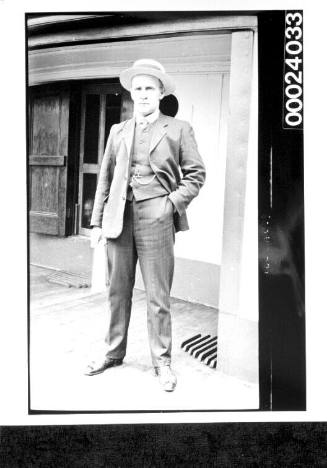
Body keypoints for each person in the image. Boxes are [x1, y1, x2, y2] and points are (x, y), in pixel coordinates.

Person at [84, 59, 206, 392]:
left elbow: (196, 175)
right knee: (117, 292)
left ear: (160, 92)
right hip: (118, 222)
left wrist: (170, 205)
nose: (142, 94)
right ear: (132, 93)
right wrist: (96, 222)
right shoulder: (117, 130)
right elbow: (105, 179)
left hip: (158, 218)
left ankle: (162, 363)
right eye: (137, 88)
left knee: (158, 295)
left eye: (149, 88)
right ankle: (113, 352)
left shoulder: (179, 128)